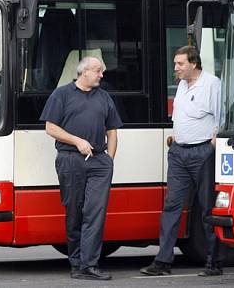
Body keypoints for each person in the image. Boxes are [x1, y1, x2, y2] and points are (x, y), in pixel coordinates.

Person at [140, 46, 222, 277]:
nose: (175, 68)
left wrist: (211, 147)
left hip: (202, 152)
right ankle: (163, 261)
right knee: (171, 206)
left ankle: (214, 261)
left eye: (180, 64)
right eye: (175, 63)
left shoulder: (212, 84)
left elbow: (220, 117)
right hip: (179, 153)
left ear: (193, 64)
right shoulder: (182, 85)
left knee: (207, 207)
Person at [40, 56, 122, 280]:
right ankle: (76, 263)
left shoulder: (104, 97)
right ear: (83, 72)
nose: (101, 75)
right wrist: (76, 140)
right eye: (98, 71)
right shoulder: (61, 94)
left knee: (95, 213)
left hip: (99, 162)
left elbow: (112, 131)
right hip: (70, 160)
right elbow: (50, 128)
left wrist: (109, 160)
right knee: (75, 212)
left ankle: (89, 265)